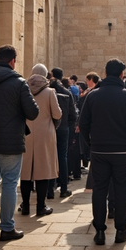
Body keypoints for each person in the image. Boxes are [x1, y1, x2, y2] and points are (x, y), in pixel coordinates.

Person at [78, 58, 126, 245]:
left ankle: (99, 230)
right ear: (122, 75)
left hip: (99, 151)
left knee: (99, 189)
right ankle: (121, 229)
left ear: (106, 73)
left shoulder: (93, 95)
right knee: (121, 190)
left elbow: (83, 124)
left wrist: (91, 143)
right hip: (123, 152)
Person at [0, 45, 38, 241]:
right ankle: (6, 227)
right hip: (11, 142)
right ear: (13, 61)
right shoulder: (19, 83)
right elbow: (33, 112)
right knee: (10, 184)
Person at [21, 63, 62, 216]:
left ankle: (25, 206)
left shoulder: (23, 88)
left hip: (26, 133)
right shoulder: (49, 92)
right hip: (45, 134)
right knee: (42, 171)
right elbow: (57, 114)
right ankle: (40, 206)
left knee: (26, 172)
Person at [50, 68, 75, 198]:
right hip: (64, 128)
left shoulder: (47, 91)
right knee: (62, 157)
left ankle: (49, 189)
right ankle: (64, 188)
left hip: (50, 128)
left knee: (49, 157)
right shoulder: (66, 92)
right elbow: (72, 114)